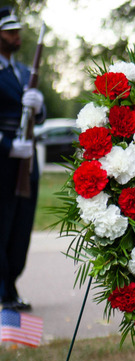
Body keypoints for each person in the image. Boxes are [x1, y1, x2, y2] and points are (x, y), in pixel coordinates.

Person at [0, 6, 44, 312]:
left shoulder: (23, 72)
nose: (17, 36)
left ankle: (10, 284)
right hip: (3, 159)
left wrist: (38, 106)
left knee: (21, 226)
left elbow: (37, 118)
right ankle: (6, 291)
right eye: (10, 31)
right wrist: (7, 146)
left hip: (27, 161)